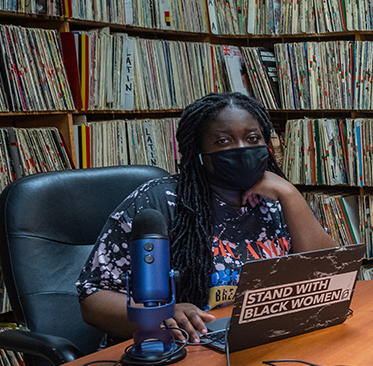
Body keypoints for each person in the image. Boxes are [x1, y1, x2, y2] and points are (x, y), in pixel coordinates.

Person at [77, 92, 334, 343]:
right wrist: (161, 314)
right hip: (175, 348)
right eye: (223, 141)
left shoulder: (274, 198)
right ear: (198, 152)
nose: (242, 149)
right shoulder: (159, 201)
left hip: (261, 339)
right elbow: (93, 297)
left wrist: (290, 194)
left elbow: (329, 273)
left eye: (252, 138)